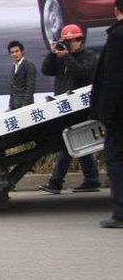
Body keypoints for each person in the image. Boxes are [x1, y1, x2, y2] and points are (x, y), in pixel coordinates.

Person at [39, 24, 100, 194]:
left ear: (80, 40)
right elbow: (46, 70)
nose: (68, 44)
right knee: (76, 142)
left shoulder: (89, 56)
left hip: (80, 109)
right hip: (63, 107)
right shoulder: (61, 56)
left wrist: (66, 57)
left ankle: (56, 181)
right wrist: (53, 53)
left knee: (69, 142)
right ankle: (92, 179)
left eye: (71, 41)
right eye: (66, 41)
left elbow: (83, 73)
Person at [89, 0, 123, 228]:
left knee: (117, 158)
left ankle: (120, 213)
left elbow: (113, 79)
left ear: (116, 10)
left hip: (119, 115)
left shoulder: (118, 36)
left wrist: (106, 114)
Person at [7, 40, 36, 110]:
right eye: (12, 52)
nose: (14, 54)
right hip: (15, 106)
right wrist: (10, 107)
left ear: (22, 52)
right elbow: (13, 89)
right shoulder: (14, 66)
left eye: (17, 51)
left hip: (25, 106)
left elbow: (30, 87)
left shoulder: (29, 65)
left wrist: (25, 106)